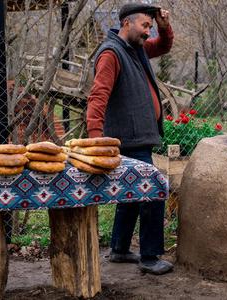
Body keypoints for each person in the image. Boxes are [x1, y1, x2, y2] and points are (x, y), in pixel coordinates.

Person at [86, 3, 174, 275]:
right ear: (127, 23)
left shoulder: (136, 49)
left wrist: (163, 25)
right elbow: (97, 97)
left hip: (139, 138)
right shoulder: (112, 54)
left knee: (133, 196)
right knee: (153, 192)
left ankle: (120, 249)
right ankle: (149, 257)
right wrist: (95, 141)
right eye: (145, 26)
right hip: (128, 140)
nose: (148, 32)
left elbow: (164, 46)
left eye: (150, 26)